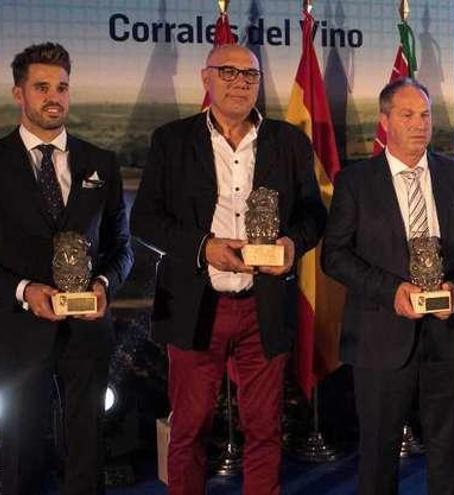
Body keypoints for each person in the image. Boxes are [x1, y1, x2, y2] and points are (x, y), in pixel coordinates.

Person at [130, 44, 326, 495]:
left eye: (251, 75)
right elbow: (144, 220)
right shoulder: (172, 140)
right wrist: (204, 248)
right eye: (229, 72)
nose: (240, 82)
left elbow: (314, 215)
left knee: (265, 429)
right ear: (206, 78)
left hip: (265, 305)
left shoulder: (290, 141)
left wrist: (292, 244)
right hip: (198, 305)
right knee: (190, 430)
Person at [321, 77, 454, 495]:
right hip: (380, 337)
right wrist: (390, 291)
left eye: (425, 115)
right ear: (385, 121)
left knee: (449, 452)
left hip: (446, 336)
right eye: (407, 115)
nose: (420, 124)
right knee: (378, 456)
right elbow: (335, 256)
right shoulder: (356, 181)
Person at [0, 42, 133, 494]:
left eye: (61, 87)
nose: (53, 96)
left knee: (87, 452)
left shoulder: (101, 162)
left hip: (88, 331)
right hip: (17, 331)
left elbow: (122, 247)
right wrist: (23, 290)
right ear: (19, 93)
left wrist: (103, 284)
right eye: (41, 87)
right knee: (20, 454)